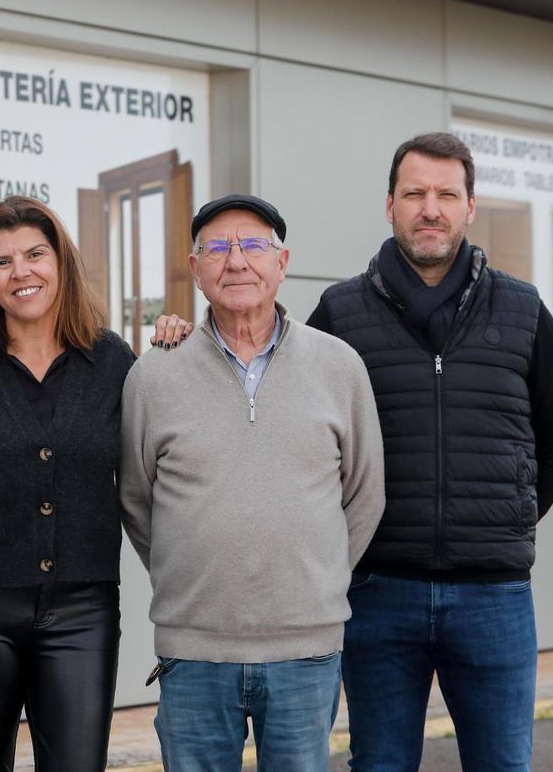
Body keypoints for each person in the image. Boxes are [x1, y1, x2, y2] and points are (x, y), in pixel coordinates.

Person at [307, 132, 553, 772]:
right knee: (379, 766)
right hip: (377, 592)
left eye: (445, 194)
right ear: (389, 205)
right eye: (414, 193)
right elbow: (292, 424)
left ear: (469, 206)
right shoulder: (340, 313)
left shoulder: (522, 309)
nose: (430, 208)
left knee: (502, 765)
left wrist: (503, 520)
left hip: (495, 598)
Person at [119, 194, 386, 772]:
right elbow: (138, 500)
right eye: (216, 247)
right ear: (195, 269)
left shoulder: (339, 366)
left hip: (306, 649)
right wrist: (187, 569)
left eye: (252, 245)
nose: (235, 261)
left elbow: (365, 493)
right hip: (193, 652)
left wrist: (319, 574)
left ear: (282, 262)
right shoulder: (155, 373)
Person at [0, 196, 188, 772]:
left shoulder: (114, 361)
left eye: (35, 254)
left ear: (62, 263)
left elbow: (177, 433)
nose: (22, 271)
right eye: (2, 262)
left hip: (82, 610)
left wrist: (184, 343)